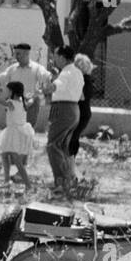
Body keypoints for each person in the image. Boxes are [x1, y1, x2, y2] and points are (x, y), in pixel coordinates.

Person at [46, 43, 84, 198]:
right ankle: (69, 180)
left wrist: (47, 85)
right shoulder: (77, 72)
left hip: (63, 109)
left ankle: (61, 183)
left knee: (53, 145)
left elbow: (53, 88)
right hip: (74, 109)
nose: (53, 58)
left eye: (55, 55)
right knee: (63, 147)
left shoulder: (66, 73)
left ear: (62, 57)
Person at [0, 43, 52, 132]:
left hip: (30, 104)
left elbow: (47, 78)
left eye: (18, 54)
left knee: (27, 131)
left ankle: (26, 146)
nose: (16, 56)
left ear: (26, 53)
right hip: (14, 104)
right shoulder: (12, 69)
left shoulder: (36, 68)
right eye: (15, 53)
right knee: (13, 130)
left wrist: (40, 93)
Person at [0, 80, 34, 190]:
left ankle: (28, 185)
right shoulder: (23, 103)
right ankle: (6, 180)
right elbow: (32, 100)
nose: (6, 92)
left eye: (8, 90)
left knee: (17, 161)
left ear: (12, 91)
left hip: (14, 133)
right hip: (16, 132)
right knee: (4, 154)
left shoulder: (11, 103)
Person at [69, 53, 94, 157]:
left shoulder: (85, 81)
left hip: (81, 114)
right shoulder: (81, 79)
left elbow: (82, 97)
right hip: (77, 113)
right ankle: (70, 163)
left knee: (72, 137)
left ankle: (70, 162)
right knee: (72, 138)